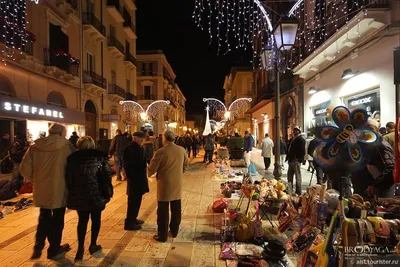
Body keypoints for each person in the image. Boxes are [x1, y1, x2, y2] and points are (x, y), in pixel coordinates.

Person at [20, 124, 74, 260]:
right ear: (62, 133)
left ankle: (38, 246)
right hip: (60, 188)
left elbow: (24, 169)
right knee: (57, 219)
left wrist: (35, 179)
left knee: (43, 217)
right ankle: (54, 249)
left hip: (42, 188)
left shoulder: (35, 146)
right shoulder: (67, 147)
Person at [66, 136, 113, 262]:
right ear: (92, 145)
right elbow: (107, 174)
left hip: (80, 195)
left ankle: (80, 248)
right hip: (97, 195)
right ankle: (93, 244)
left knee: (82, 221)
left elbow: (68, 179)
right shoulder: (99, 157)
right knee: (96, 220)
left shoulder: (72, 159)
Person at [148, 131, 189, 242]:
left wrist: (149, 173)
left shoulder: (161, 151)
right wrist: (180, 173)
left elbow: (152, 168)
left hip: (164, 184)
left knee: (163, 211)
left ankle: (162, 235)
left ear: (164, 139)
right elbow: (186, 164)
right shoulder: (181, 150)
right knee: (176, 209)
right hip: (177, 184)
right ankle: (174, 231)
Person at [352, 119, 395, 198]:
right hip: (364, 193)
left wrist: (375, 186)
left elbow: (390, 169)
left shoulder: (381, 145)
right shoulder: (366, 144)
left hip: (377, 196)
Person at [123, 132, 149, 231]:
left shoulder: (140, 147)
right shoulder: (130, 149)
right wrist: (131, 177)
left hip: (139, 177)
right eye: (140, 138)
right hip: (134, 179)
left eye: (143, 138)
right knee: (133, 201)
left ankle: (133, 219)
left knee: (137, 200)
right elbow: (128, 165)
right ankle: (129, 222)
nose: (142, 140)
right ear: (134, 138)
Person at [286, 126, 305, 195]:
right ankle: (290, 189)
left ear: (299, 131)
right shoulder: (292, 139)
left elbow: (303, 150)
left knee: (298, 176)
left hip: (296, 160)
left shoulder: (300, 139)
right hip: (291, 160)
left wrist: (299, 159)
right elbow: (289, 148)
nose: (294, 131)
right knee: (289, 176)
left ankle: (298, 191)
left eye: (296, 130)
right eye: (294, 130)